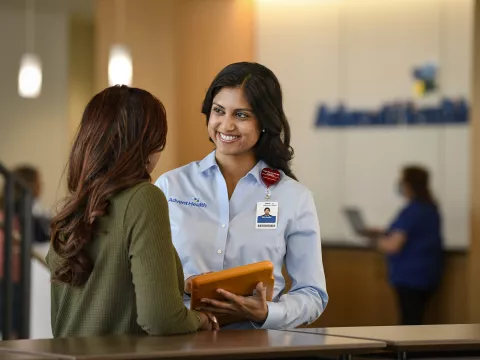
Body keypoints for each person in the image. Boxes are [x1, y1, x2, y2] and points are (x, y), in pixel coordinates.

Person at [155, 62, 328, 330]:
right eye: (218, 111)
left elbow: (313, 294)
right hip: (181, 341)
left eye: (242, 115)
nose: (226, 125)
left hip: (258, 346)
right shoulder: (171, 186)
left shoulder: (294, 197)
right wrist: (185, 284)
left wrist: (267, 312)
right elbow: (145, 277)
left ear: (265, 122)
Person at [47, 85, 218, 338]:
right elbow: (161, 319)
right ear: (147, 145)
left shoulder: (73, 209)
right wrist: (202, 319)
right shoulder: (144, 198)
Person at [363, 165, 443, 325]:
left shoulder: (413, 210)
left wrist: (374, 241)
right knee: (415, 319)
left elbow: (393, 245)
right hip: (427, 275)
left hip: (411, 278)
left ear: (409, 184)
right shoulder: (429, 207)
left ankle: (409, 351)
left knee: (410, 322)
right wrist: (383, 233)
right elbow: (409, 233)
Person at [13, 165, 51, 243]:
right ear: (30, 184)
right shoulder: (20, 208)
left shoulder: (33, 205)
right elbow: (37, 233)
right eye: (38, 181)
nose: (41, 184)